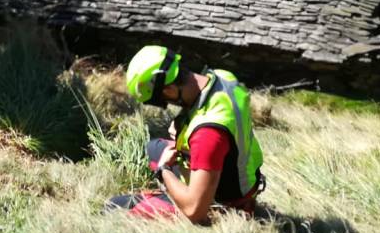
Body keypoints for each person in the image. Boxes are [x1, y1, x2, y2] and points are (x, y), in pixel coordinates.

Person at [106, 45, 265, 222]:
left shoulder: (208, 133)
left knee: (114, 206)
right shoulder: (222, 78)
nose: (167, 105)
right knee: (153, 148)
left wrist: (164, 170)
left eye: (162, 100)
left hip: (222, 203)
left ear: (169, 90)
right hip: (242, 178)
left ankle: (170, 194)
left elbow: (194, 211)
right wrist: (182, 125)